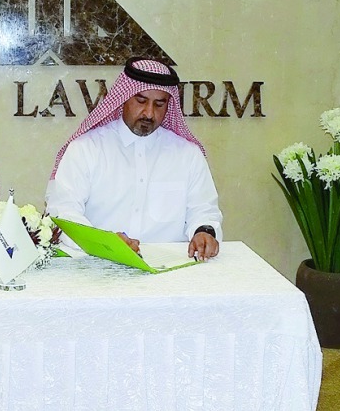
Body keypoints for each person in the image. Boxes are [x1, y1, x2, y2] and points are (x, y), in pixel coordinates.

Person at [46, 57, 222, 261]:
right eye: (141, 100)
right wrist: (106, 242)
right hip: (99, 268)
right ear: (124, 98)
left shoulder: (188, 155)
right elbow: (63, 211)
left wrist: (204, 232)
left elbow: (204, 209)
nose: (149, 113)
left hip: (170, 276)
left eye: (159, 104)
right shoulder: (87, 149)